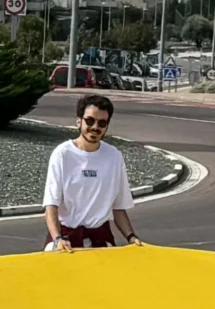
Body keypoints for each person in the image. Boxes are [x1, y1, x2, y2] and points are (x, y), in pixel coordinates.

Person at [43, 93, 141, 250]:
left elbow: (118, 207)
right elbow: (51, 206)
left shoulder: (114, 156)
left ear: (107, 127)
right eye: (90, 121)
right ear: (78, 121)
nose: (95, 127)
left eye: (102, 123)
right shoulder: (62, 154)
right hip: (66, 239)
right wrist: (57, 239)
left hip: (100, 238)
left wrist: (131, 237)